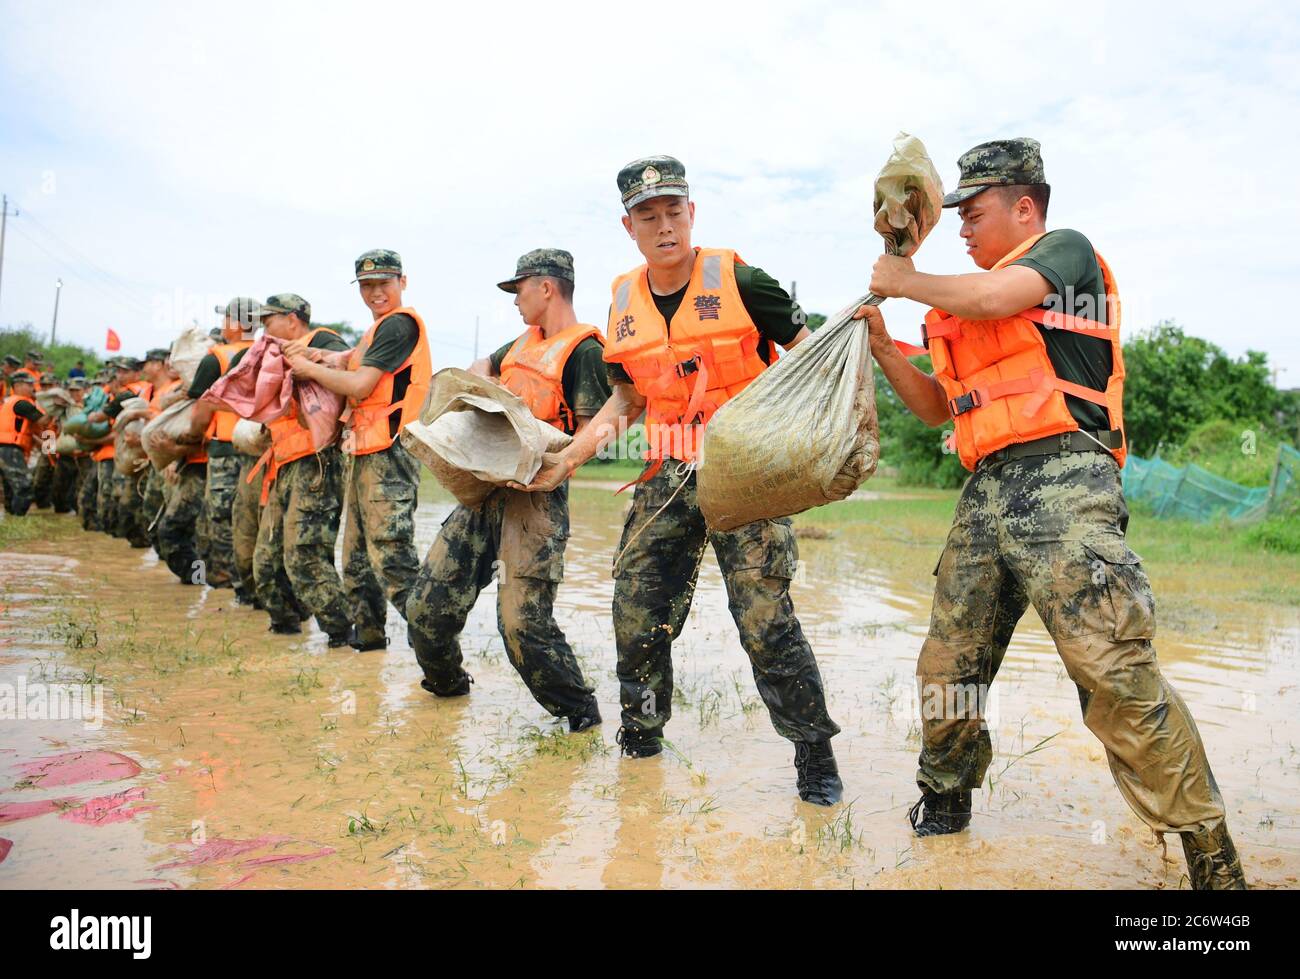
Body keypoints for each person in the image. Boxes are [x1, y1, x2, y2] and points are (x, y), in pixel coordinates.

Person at [857, 137, 1245, 889]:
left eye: (977, 211)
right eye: (958, 212)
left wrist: (906, 280)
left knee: (1112, 671)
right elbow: (939, 405)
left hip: (1065, 480)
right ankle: (944, 813)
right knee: (948, 666)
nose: (963, 226)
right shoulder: (954, 309)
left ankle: (1212, 859)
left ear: (1025, 205)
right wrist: (884, 349)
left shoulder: (1063, 253)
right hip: (985, 491)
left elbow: (1002, 297)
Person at [516, 157, 843, 805]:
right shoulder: (621, 300)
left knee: (764, 618)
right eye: (648, 216)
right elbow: (625, 402)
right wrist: (568, 458)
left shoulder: (744, 280)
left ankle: (814, 751)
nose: (663, 225)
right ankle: (640, 737)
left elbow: (813, 360)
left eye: (673, 211)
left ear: (691, 213)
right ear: (628, 226)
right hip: (668, 467)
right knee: (636, 606)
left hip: (744, 466)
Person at [406, 249, 607, 730]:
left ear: (546, 288)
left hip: (536, 498)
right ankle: (448, 689)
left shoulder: (585, 351)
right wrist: (485, 388)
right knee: (426, 608)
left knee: (522, 624)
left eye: (518, 289)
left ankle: (580, 714)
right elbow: (481, 365)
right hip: (484, 491)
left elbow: (591, 432)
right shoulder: (520, 345)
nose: (515, 299)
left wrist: (549, 462)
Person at [282, 249, 431, 652]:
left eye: (383, 283)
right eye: (367, 286)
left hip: (391, 453)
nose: (375, 292)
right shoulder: (377, 331)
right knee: (358, 562)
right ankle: (368, 644)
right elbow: (354, 361)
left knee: (393, 560)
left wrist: (310, 370)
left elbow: (361, 385)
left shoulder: (399, 325)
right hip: (365, 451)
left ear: (403, 281)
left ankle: (439, 652)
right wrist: (325, 356)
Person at [248, 294, 353, 643]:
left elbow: (345, 377)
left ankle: (343, 629)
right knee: (266, 559)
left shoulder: (323, 341)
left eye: (269, 319)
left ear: (293, 320)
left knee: (304, 555)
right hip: (285, 464)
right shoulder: (275, 355)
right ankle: (286, 626)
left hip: (317, 464)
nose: (263, 326)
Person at [182, 299, 260, 588]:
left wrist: (188, 440)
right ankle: (254, 581)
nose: (224, 325)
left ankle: (230, 580)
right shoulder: (267, 352)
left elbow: (202, 411)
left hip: (225, 446)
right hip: (261, 448)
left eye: (227, 319)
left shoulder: (216, 357)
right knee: (253, 517)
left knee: (221, 515)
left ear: (237, 324)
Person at [0, 371, 51, 515]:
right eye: (29, 385)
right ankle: (18, 518)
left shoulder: (8, 402)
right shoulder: (21, 403)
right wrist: (55, 409)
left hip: (6, 448)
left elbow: (31, 431)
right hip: (10, 449)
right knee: (25, 487)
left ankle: (10, 517)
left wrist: (47, 447)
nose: (32, 388)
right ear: (17, 386)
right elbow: (43, 421)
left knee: (10, 486)